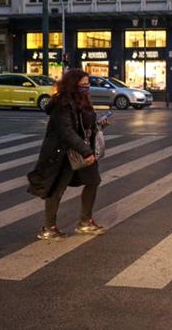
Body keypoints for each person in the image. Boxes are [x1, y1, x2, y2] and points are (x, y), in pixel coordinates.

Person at [27, 69, 111, 240]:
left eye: (88, 85)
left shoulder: (83, 101)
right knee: (57, 189)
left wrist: (99, 125)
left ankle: (85, 222)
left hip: (80, 148)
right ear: (72, 86)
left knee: (93, 181)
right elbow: (67, 131)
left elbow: (84, 125)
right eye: (83, 86)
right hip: (64, 152)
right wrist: (86, 151)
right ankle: (48, 227)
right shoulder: (62, 104)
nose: (87, 88)